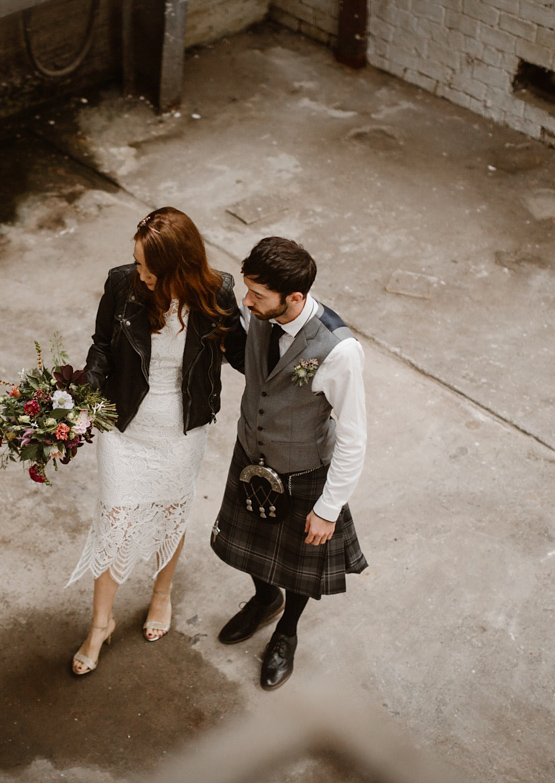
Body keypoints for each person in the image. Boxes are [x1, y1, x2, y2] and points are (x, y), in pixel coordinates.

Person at [67, 207, 245, 675]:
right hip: (124, 424)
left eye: (148, 266)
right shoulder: (121, 283)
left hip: (182, 427)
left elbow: (246, 356)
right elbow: (102, 344)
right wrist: (83, 393)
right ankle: (100, 624)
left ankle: (161, 594)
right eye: (137, 260)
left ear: (178, 268)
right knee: (116, 520)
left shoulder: (217, 292)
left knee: (171, 509)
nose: (139, 273)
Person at [210, 236, 368, 690]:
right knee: (252, 550)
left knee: (300, 561)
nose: (247, 301)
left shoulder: (340, 351)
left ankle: (286, 632)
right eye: (247, 289)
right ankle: (264, 600)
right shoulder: (259, 313)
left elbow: (355, 438)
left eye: (258, 295)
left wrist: (328, 508)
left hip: (304, 470)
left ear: (294, 298)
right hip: (250, 456)